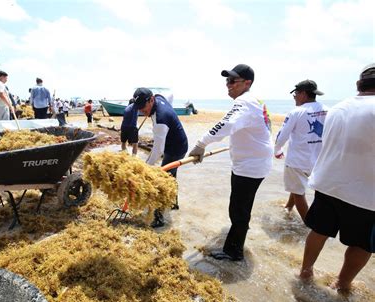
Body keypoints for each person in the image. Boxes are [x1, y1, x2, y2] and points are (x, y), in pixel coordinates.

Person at [299, 63, 375, 292]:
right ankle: (342, 284)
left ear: (358, 84)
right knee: (362, 244)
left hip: (328, 183)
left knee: (319, 230)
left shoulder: (338, 108)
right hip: (365, 194)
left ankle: (305, 272)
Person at [189, 64, 273, 261]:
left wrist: (201, 144)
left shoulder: (244, 102)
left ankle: (234, 251)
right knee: (242, 206)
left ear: (247, 83)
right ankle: (239, 234)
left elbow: (226, 124)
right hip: (256, 161)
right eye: (227, 81)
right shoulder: (254, 100)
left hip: (250, 166)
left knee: (238, 209)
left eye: (233, 81)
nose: (228, 85)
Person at [132, 88, 188, 228]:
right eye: (138, 108)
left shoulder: (160, 120)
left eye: (143, 108)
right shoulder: (159, 97)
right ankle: (173, 203)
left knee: (160, 182)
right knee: (171, 176)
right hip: (179, 143)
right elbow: (170, 93)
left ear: (151, 100)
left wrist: (144, 168)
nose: (141, 111)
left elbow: (158, 151)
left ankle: (159, 218)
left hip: (175, 149)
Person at [274, 80, 328, 220]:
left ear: (303, 94)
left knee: (298, 192)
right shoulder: (328, 110)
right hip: (321, 160)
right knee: (296, 186)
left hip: (298, 161)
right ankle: (288, 207)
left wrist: (277, 149)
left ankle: (308, 225)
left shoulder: (296, 112)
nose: (294, 97)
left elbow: (282, 135)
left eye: (295, 93)